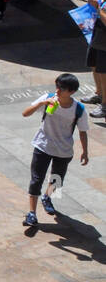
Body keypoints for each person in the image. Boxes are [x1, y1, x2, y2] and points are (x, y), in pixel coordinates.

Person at [21, 73, 90, 228]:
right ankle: (32, 213)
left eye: (62, 88)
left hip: (64, 150)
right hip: (42, 145)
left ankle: (48, 197)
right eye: (57, 86)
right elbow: (25, 113)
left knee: (57, 180)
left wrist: (85, 152)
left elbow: (83, 131)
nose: (57, 91)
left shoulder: (78, 108)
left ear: (71, 91)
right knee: (36, 179)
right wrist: (42, 103)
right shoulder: (49, 99)